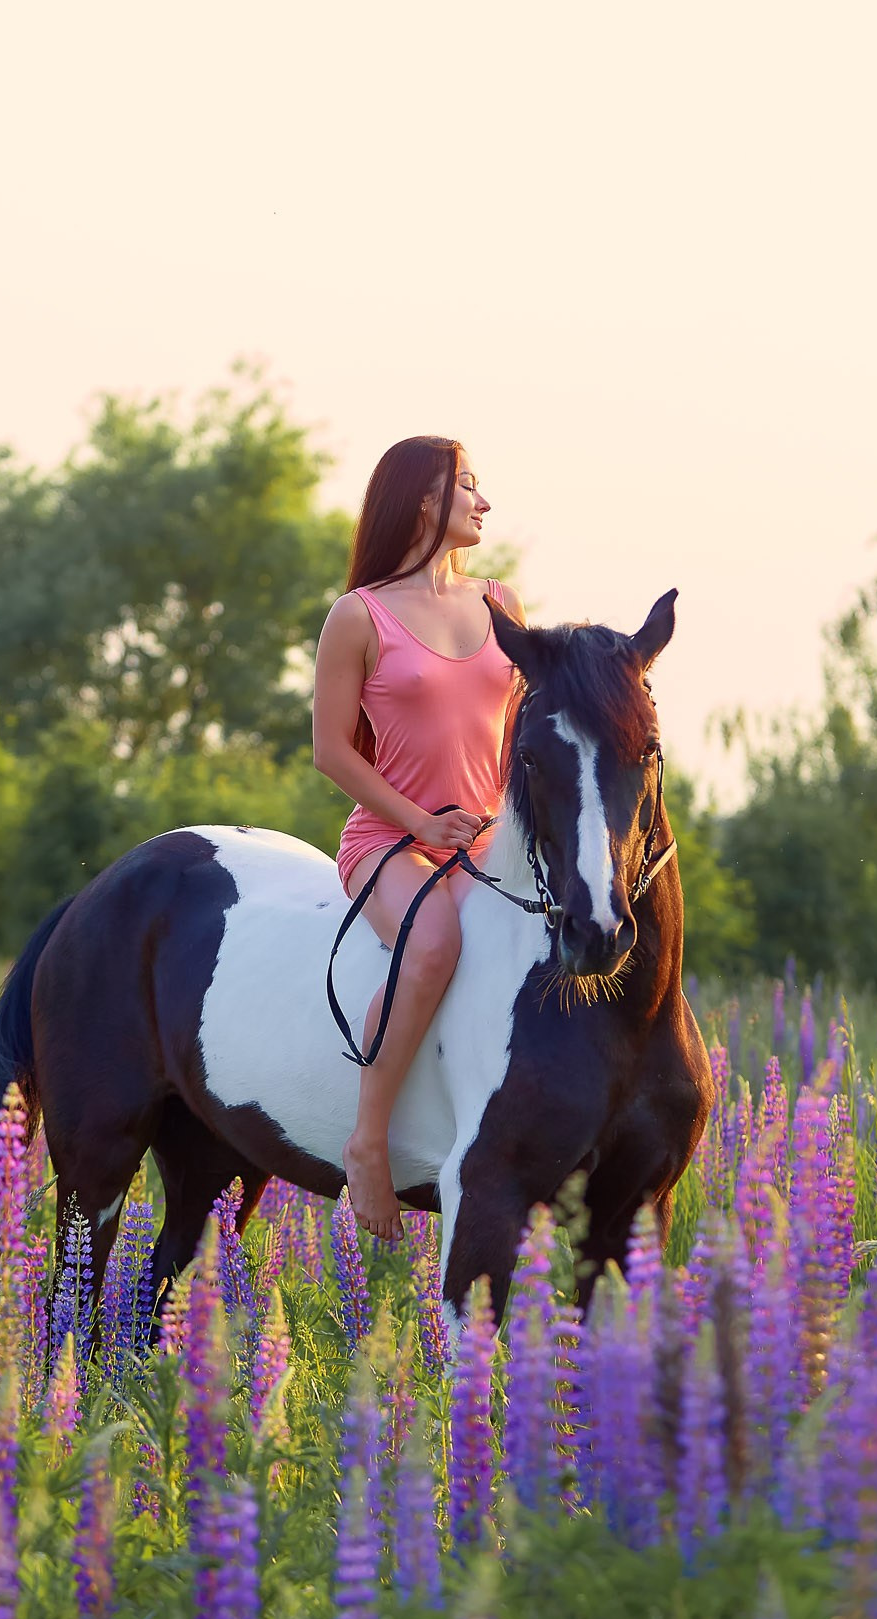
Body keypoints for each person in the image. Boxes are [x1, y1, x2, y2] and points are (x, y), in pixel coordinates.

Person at [310, 436, 526, 1240]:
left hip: (486, 840)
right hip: (391, 841)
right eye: (470, 485)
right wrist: (420, 821)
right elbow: (331, 748)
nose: (484, 501)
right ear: (426, 499)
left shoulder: (501, 603)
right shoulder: (358, 614)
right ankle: (367, 1142)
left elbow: (517, 734)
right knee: (433, 943)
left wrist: (507, 822)